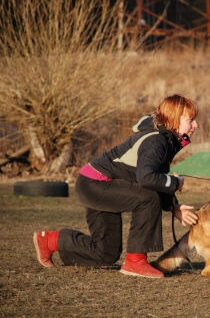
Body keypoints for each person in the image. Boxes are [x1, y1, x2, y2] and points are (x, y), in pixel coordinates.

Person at [33, 94, 199, 278]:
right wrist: (176, 183)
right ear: (174, 119)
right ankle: (135, 262)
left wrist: (172, 206)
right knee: (147, 199)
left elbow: (152, 179)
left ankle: (50, 240)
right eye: (190, 120)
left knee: (105, 253)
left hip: (98, 184)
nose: (195, 125)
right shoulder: (156, 141)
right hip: (94, 184)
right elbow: (147, 179)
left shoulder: (164, 140)